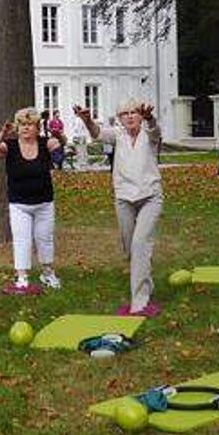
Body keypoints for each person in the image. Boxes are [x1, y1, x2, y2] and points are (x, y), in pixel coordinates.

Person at [74, 99, 163, 315]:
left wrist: (150, 118)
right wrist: (87, 120)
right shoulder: (118, 135)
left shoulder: (149, 135)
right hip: (124, 198)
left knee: (141, 244)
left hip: (150, 197)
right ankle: (146, 283)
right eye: (125, 113)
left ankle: (139, 302)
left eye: (134, 112)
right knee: (130, 248)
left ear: (141, 116)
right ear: (120, 118)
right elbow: (97, 133)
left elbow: (154, 130)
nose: (130, 116)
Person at [0, 108, 62, 291]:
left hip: (44, 202)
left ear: (37, 127)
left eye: (30, 125)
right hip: (19, 204)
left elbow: (58, 155)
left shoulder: (45, 143)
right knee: (22, 239)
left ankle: (48, 272)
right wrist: (3, 133)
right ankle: (22, 276)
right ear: (17, 128)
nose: (26, 128)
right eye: (22, 125)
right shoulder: (9, 146)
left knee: (45, 238)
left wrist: (58, 141)